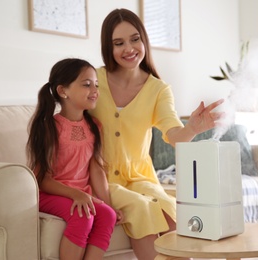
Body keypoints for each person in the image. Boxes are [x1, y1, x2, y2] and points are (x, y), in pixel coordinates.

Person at [89, 8, 225, 260]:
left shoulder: (158, 89)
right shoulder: (94, 80)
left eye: (135, 39)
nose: (129, 48)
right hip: (100, 178)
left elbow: (173, 134)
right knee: (141, 209)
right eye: (118, 43)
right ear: (108, 47)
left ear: (144, 39)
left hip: (141, 177)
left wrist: (192, 128)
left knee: (170, 212)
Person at [26, 58, 122, 260]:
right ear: (63, 91)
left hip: (80, 194)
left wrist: (107, 203)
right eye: (86, 84)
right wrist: (76, 195)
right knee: (82, 214)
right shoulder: (49, 127)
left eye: (96, 84)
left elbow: (96, 169)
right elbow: (41, 178)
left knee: (108, 216)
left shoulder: (94, 126)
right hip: (48, 193)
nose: (95, 90)